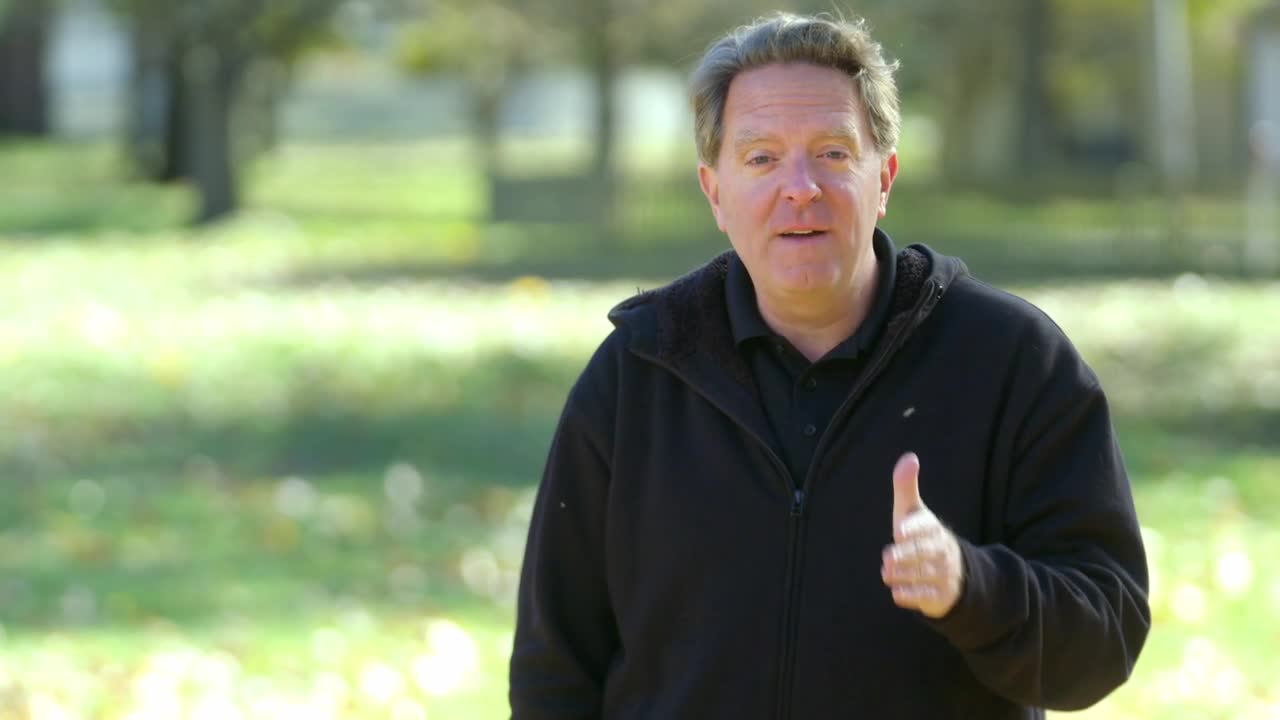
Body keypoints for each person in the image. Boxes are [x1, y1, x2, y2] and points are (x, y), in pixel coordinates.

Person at [509, 11, 1150, 719]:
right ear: (715, 191)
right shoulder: (638, 373)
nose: (801, 187)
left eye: (834, 153)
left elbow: (1107, 635)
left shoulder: (1010, 362)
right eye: (761, 158)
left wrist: (972, 587)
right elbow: (553, 674)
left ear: (885, 178)